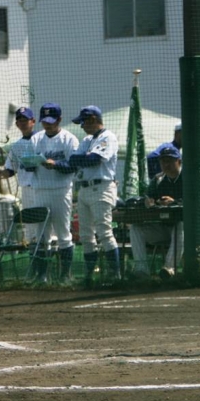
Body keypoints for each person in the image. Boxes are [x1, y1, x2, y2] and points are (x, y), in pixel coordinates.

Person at [67, 105, 120, 287]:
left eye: (83, 122)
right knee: (85, 235)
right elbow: (73, 160)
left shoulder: (108, 137)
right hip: (84, 189)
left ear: (93, 119)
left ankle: (115, 276)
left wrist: (85, 157)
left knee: (104, 232)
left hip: (101, 187)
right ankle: (89, 277)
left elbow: (94, 160)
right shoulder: (87, 140)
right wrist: (85, 157)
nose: (82, 126)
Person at [32, 102, 79, 283]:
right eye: (44, 121)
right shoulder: (36, 139)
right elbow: (29, 165)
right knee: (41, 234)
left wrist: (56, 164)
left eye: (51, 121)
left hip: (61, 190)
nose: (47, 124)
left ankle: (65, 276)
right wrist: (29, 163)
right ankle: (42, 276)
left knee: (63, 234)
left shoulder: (69, 139)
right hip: (40, 190)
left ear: (59, 120)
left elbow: (74, 166)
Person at [129, 145, 184, 279]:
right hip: (163, 227)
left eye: (170, 161)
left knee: (180, 226)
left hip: (185, 231)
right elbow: (147, 197)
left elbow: (195, 200)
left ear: (179, 162)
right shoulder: (158, 179)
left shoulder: (187, 178)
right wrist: (148, 202)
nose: (166, 164)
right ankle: (141, 270)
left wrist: (174, 202)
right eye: (163, 161)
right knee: (136, 228)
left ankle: (169, 269)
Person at [0, 106, 39, 242]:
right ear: (17, 124)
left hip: (42, 187)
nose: (23, 123)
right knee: (30, 223)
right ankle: (34, 248)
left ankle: (52, 248)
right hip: (26, 189)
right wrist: (2, 173)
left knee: (46, 222)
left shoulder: (42, 140)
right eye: (20, 120)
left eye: (25, 120)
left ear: (33, 121)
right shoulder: (16, 146)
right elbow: (11, 170)